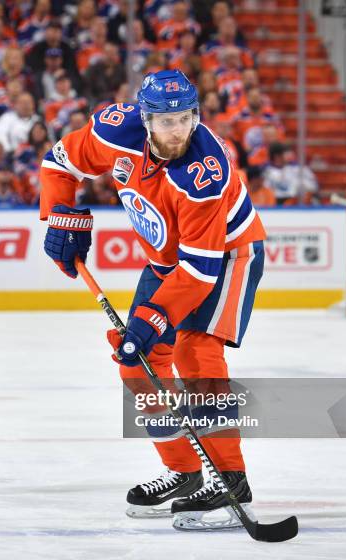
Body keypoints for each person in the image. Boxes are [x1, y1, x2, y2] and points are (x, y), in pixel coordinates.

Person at [40, 70, 266, 531]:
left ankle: (230, 482)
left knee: (193, 350)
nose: (177, 130)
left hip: (226, 256)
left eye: (185, 118)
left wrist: (150, 320)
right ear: (145, 120)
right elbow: (59, 162)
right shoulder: (113, 130)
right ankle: (184, 472)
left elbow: (200, 273)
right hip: (169, 259)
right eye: (165, 121)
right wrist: (61, 217)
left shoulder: (206, 173)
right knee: (136, 364)